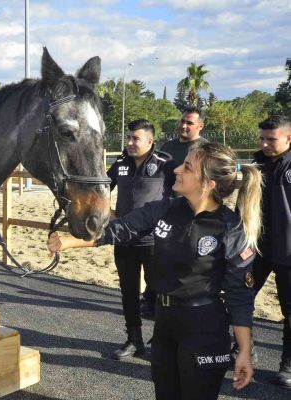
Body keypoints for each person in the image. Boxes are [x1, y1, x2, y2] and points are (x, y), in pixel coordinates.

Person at [48, 142, 261, 399]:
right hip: (165, 323)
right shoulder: (168, 208)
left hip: (204, 328)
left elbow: (240, 296)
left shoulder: (230, 228)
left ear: (208, 184)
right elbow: (122, 229)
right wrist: (70, 241)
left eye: (187, 167)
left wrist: (245, 352)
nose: (177, 170)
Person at [105, 119, 172, 360]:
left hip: (154, 241)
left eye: (136, 138)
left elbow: (179, 197)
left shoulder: (165, 164)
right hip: (124, 240)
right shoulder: (121, 163)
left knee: (160, 291)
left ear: (150, 141)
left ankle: (163, 340)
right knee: (128, 291)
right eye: (129, 137)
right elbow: (103, 188)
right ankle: (134, 340)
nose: (130, 142)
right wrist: (111, 215)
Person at [136, 105, 210, 317]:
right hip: (166, 208)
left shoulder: (205, 149)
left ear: (200, 125)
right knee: (158, 255)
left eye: (190, 123)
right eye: (182, 121)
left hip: (192, 211)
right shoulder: (168, 146)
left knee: (187, 257)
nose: (184, 126)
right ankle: (150, 298)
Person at [250, 115, 291, 387]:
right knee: (239, 296)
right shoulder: (257, 164)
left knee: (290, 311)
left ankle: (287, 365)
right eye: (262, 138)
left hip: (289, 252)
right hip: (257, 249)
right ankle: (242, 350)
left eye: (271, 139)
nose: (265, 144)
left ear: (289, 138)